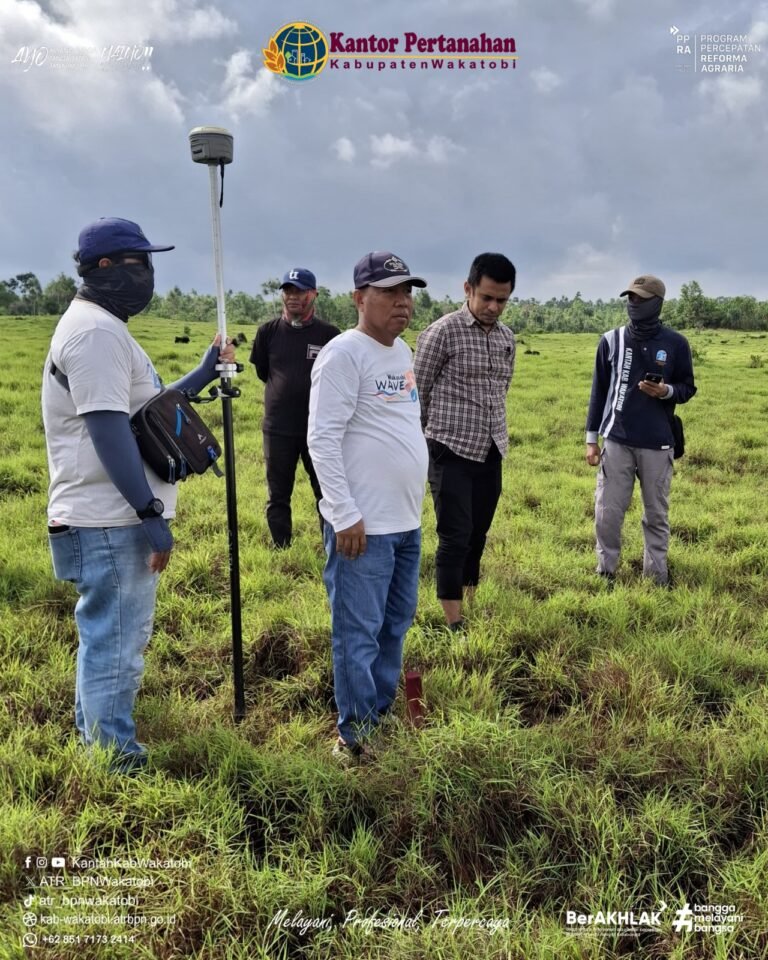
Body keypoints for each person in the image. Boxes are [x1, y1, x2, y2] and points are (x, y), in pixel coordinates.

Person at [42, 217, 235, 771]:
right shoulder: (96, 333)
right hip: (109, 520)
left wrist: (197, 377)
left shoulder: (103, 326)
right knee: (118, 645)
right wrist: (150, 513)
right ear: (104, 268)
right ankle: (115, 762)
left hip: (105, 517)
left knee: (107, 638)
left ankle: (96, 745)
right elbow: (107, 431)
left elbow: (142, 415)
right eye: (138, 262)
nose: (148, 274)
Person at [307, 251, 428, 765]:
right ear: (360, 298)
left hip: (405, 522)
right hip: (363, 526)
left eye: (408, 292)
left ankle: (378, 713)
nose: (403, 303)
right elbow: (322, 438)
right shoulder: (342, 355)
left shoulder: (402, 352)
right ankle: (353, 738)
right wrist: (343, 511)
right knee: (357, 632)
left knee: (394, 624)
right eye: (390, 292)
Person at [414, 252, 516, 632]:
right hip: (449, 448)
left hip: (491, 449)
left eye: (502, 300)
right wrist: (427, 444)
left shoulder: (507, 338)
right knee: (454, 535)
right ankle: (454, 621)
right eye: (486, 297)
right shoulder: (442, 332)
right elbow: (417, 393)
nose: (493, 307)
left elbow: (501, 389)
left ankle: (469, 596)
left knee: (478, 531)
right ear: (468, 289)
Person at [585, 274, 697, 585]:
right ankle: (605, 571)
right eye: (630, 298)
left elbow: (688, 387)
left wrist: (666, 392)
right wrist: (591, 440)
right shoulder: (611, 340)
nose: (634, 304)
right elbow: (598, 391)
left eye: (641, 299)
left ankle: (656, 577)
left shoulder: (676, 343)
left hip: (658, 443)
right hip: (617, 440)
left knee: (656, 515)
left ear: (657, 304)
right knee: (607, 512)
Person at [250, 268, 340, 547]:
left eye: (300, 291)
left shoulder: (329, 334)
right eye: (288, 291)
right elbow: (264, 372)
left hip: (319, 429)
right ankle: (281, 547)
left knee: (326, 492)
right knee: (278, 494)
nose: (293, 297)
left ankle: (332, 547)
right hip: (277, 428)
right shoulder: (267, 332)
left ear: (313, 294)